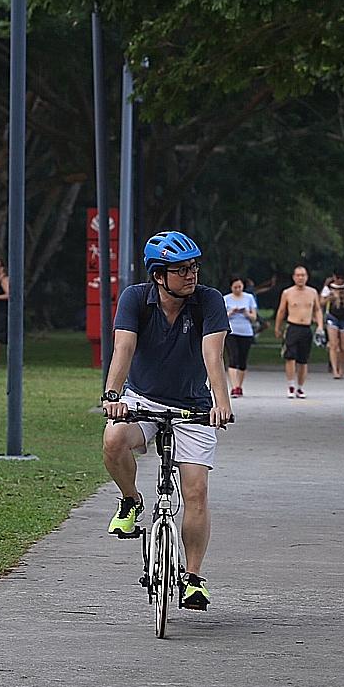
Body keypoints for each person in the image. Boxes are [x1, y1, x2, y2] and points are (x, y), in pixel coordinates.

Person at [101, 230, 231, 611]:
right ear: (159, 275)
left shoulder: (208, 301)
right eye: (181, 270)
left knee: (196, 492)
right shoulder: (135, 300)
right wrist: (113, 396)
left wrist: (221, 403)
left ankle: (193, 577)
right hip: (142, 398)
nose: (192, 275)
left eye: (194, 267)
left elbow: (213, 354)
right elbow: (123, 348)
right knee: (113, 440)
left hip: (193, 404)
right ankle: (130, 501)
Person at [275, 265, 323, 398]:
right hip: (292, 327)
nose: (301, 278)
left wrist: (320, 325)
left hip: (306, 327)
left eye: (303, 275)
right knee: (290, 357)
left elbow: (318, 310)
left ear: (307, 277)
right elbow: (281, 311)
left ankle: (300, 387)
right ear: (294, 277)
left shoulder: (312, 292)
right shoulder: (287, 292)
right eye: (298, 275)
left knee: (303, 360)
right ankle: (291, 385)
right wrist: (277, 328)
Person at [222, 275, 258, 397]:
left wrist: (246, 313)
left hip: (246, 332)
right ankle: (234, 386)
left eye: (240, 287)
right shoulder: (226, 299)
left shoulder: (249, 298)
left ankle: (239, 386)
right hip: (231, 331)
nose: (238, 289)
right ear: (231, 287)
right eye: (235, 287)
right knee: (233, 357)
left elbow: (254, 317)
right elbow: (221, 317)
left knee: (242, 360)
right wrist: (231, 312)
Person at [321, 269, 344, 378]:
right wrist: (330, 297)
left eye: (341, 278)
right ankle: (334, 370)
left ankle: (341, 368)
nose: (339, 280)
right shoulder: (328, 287)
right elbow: (321, 301)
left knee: (343, 346)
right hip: (332, 316)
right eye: (337, 278)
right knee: (333, 345)